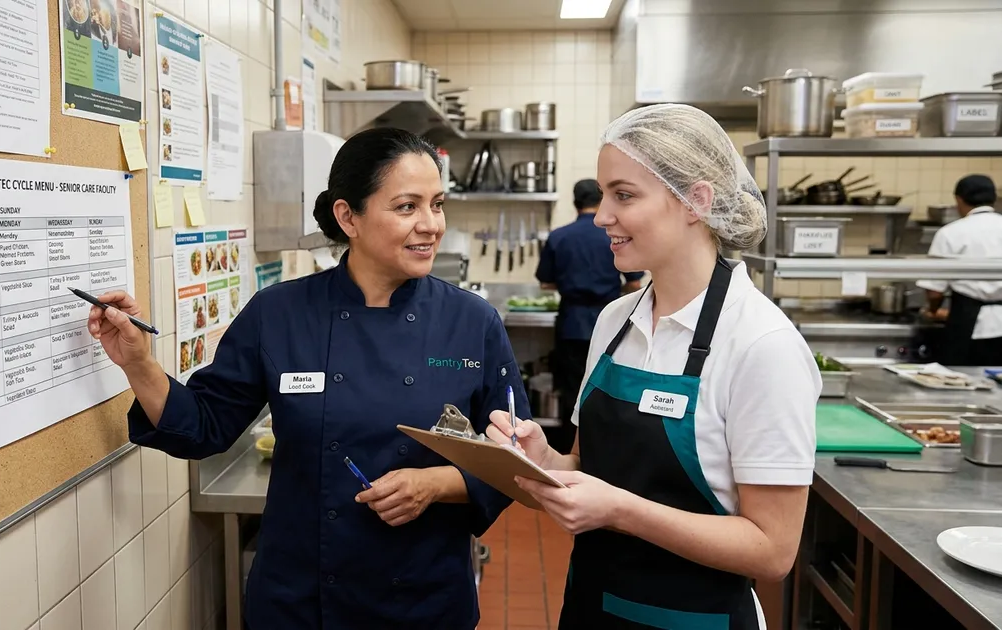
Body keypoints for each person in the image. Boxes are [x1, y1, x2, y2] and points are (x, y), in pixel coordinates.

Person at [86, 127, 529, 629]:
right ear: (348, 217)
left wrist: (436, 482)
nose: (431, 224)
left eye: (437, 204)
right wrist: (138, 363)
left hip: (422, 595)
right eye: (407, 206)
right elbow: (206, 424)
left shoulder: (471, 323)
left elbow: (516, 452)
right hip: (302, 596)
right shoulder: (280, 313)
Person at [486, 104, 821, 630]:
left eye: (624, 195)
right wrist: (543, 460)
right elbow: (590, 471)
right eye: (602, 195)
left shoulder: (762, 345)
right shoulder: (615, 321)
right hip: (592, 608)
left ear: (697, 200)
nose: (601, 216)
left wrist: (620, 511)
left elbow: (772, 550)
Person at [535, 179, 645, 452]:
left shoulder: (559, 236)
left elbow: (545, 282)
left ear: (574, 203)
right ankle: (605, 453)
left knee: (572, 390)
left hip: (571, 323)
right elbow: (634, 282)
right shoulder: (612, 235)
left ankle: (568, 455)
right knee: (608, 390)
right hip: (613, 327)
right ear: (599, 201)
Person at [917, 174, 1002, 365]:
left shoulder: (951, 233)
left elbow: (934, 291)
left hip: (968, 325)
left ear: (958, 200)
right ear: (993, 199)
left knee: (963, 382)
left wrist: (933, 311)